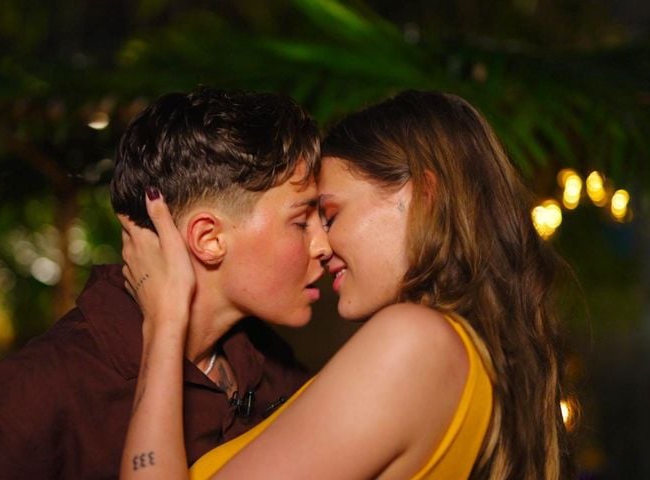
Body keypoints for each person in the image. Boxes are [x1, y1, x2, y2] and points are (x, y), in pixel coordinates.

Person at [118, 90, 573, 479]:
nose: (322, 245)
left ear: (423, 197)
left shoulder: (414, 342)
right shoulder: (461, 359)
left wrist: (165, 320)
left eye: (332, 215)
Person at [0, 87, 332, 479]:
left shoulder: (270, 364)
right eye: (301, 221)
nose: (324, 245)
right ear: (208, 239)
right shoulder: (24, 402)